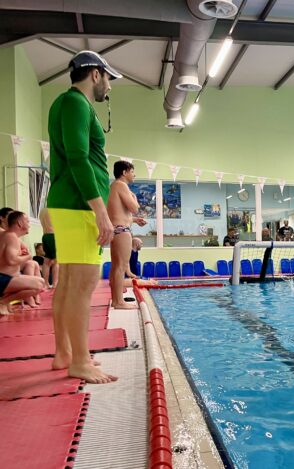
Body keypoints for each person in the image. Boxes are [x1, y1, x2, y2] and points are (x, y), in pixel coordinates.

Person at [47, 50, 122, 384]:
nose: (109, 86)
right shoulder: (77, 104)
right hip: (79, 206)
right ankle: (79, 360)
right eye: (108, 78)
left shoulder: (64, 103)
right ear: (95, 74)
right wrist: (101, 212)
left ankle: (64, 352)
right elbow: (78, 158)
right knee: (82, 285)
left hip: (69, 204)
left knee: (67, 282)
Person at [107, 160, 143, 310]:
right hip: (122, 231)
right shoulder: (121, 185)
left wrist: (134, 220)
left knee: (116, 266)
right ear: (124, 172)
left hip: (117, 229)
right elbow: (134, 208)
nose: (134, 175)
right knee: (121, 267)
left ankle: (116, 300)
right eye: (132, 171)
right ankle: (119, 302)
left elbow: (118, 212)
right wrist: (134, 198)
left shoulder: (114, 186)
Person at [0, 211, 46, 314]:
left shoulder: (7, 235)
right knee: (38, 285)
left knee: (40, 282)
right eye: (28, 221)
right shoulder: (12, 236)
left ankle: (5, 302)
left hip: (7, 278)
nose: (29, 225)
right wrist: (28, 257)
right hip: (3, 279)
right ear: (20, 223)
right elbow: (11, 260)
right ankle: (3, 302)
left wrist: (21, 254)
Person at [39, 207, 59, 288]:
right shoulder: (55, 210)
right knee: (56, 262)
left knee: (46, 261)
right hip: (53, 236)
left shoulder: (42, 211)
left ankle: (46, 283)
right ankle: (55, 283)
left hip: (45, 236)